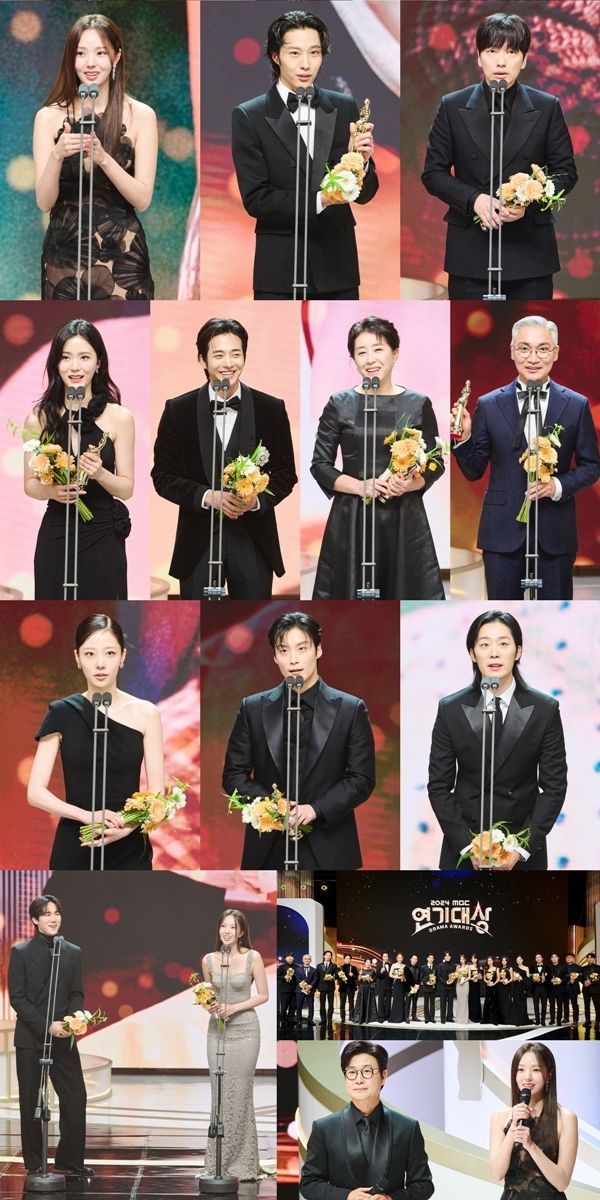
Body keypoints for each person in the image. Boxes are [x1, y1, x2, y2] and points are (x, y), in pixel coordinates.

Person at [422, 12, 578, 300]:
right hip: (471, 252)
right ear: (479, 57)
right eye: (492, 51)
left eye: (511, 52)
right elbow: (433, 173)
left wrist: (529, 202)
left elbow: (565, 172)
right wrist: (474, 200)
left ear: (524, 59)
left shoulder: (547, 107)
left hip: (530, 253)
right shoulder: (452, 106)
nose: (501, 62)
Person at [231, 10, 378, 300]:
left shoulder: (344, 106)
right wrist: (321, 199)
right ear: (275, 56)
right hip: (280, 268)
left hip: (337, 265)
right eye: (294, 53)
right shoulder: (249, 115)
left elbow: (365, 194)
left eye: (314, 52)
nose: (306, 64)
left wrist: (361, 163)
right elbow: (256, 198)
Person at [451, 315, 600, 600]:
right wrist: (465, 438)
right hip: (502, 530)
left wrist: (556, 486)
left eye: (542, 349)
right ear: (512, 351)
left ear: (556, 352)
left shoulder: (576, 404)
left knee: (553, 615)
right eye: (524, 348)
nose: (533, 358)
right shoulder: (489, 404)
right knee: (503, 612)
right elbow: (473, 470)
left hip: (555, 532)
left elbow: (591, 466)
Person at [152, 317, 297, 599]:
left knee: (252, 616)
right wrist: (207, 496)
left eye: (235, 354)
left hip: (253, 540)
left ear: (245, 356)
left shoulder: (271, 409)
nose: (228, 363)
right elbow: (163, 477)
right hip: (198, 542)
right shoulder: (178, 410)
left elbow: (285, 474)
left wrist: (257, 501)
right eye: (218, 355)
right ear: (202, 360)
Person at [222, 611, 376, 868]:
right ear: (275, 656)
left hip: (329, 847)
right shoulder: (253, 708)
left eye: (302, 648)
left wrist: (315, 809)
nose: (293, 659)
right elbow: (233, 776)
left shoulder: (350, 709)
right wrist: (274, 806)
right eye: (284, 650)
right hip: (268, 846)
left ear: (318, 650)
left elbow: (362, 779)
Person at [311, 316, 445, 600]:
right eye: (361, 352)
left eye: (378, 349)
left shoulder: (417, 403)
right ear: (353, 360)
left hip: (403, 517)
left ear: (395, 353)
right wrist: (361, 487)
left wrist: (410, 484)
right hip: (353, 516)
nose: (370, 359)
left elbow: (435, 462)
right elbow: (320, 465)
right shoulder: (339, 404)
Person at [427, 610, 568, 869]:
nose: (494, 653)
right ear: (472, 653)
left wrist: (521, 848)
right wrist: (467, 846)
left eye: (503, 643)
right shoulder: (451, 709)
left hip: (523, 850)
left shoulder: (544, 709)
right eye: (484, 645)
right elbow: (438, 786)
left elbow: (554, 787)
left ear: (518, 651)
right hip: (464, 850)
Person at [33, 13, 156, 300]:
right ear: (71, 59)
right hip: (64, 255)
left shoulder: (140, 115)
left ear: (116, 56)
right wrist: (57, 155)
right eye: (81, 53)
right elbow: (44, 201)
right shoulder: (48, 117)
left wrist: (104, 159)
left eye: (100, 53)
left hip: (122, 253)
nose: (90, 63)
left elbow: (142, 199)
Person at [27, 613, 164, 869]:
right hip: (77, 840)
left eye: (110, 653)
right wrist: (86, 816)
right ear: (77, 658)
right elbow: (35, 792)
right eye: (90, 654)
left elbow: (158, 794)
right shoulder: (61, 711)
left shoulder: (147, 713)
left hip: (129, 845)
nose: (100, 664)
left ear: (122, 656)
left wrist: (125, 827)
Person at [24, 319, 134, 599]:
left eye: (84, 357)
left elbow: (126, 489)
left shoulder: (119, 417)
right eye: (66, 357)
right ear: (56, 363)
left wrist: (100, 474)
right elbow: (30, 484)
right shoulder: (38, 418)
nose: (75, 367)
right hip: (57, 529)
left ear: (98, 363)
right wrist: (52, 491)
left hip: (102, 532)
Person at [8, 895, 92, 1180]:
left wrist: (70, 1021)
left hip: (63, 1036)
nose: (53, 918)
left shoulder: (72, 952)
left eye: (56, 913)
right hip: (31, 1037)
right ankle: (34, 1161)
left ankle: (69, 1160)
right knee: (31, 1100)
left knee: (75, 1097)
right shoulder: (21, 952)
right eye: (46, 914)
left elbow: (76, 993)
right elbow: (17, 998)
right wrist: (47, 1026)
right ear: (35, 919)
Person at [301, 1041, 434, 1199]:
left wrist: (392, 1198)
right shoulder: (324, 1128)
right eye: (352, 1072)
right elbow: (309, 1183)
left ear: (383, 1076)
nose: (358, 1080)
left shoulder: (407, 1127)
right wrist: (346, 1196)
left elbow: (424, 1184)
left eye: (367, 1071)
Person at [200, 909, 268, 1182]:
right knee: (218, 1093)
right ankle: (217, 1162)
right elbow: (206, 996)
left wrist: (234, 1007)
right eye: (223, 926)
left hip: (246, 1031)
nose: (227, 931)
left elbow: (263, 995)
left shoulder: (253, 957)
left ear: (241, 932)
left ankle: (242, 1163)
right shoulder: (208, 960)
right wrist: (210, 1007)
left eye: (233, 927)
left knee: (240, 1093)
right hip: (217, 1031)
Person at [490, 1043, 578, 1198]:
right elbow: (497, 1173)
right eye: (521, 1069)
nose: (527, 1077)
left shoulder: (565, 1118)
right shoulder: (500, 1117)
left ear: (549, 1074)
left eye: (535, 1070)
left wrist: (531, 1146)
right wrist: (513, 1126)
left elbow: (562, 1182)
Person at [352, 960, 378, 1025]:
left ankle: (369, 1017)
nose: (368, 963)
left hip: (369, 988)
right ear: (364, 963)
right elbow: (358, 979)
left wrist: (370, 979)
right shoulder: (361, 970)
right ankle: (361, 1017)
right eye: (367, 962)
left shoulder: (373, 971)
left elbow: (374, 980)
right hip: (362, 988)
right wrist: (360, 974)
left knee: (369, 1002)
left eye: (369, 962)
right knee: (361, 1002)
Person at [315, 951, 338, 1026]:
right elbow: (317, 977)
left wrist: (332, 977)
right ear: (324, 956)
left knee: (331, 1004)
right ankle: (323, 1019)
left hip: (330, 987)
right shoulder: (319, 965)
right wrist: (316, 988)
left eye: (329, 955)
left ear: (331, 957)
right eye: (327, 955)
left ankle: (329, 1019)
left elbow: (336, 976)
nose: (328, 956)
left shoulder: (334, 966)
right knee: (322, 1004)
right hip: (321, 987)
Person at [295, 954, 318, 1026]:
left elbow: (315, 979)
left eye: (308, 959)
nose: (307, 960)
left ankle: (310, 1020)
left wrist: (311, 985)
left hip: (310, 990)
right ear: (302, 960)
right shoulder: (298, 969)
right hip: (300, 990)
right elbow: (298, 978)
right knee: (299, 1006)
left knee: (311, 1006)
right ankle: (298, 1021)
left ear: (310, 960)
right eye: (305, 959)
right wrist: (304, 985)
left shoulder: (314, 970)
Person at [337, 954, 358, 1026]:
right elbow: (338, 978)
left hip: (351, 988)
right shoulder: (340, 968)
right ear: (344, 959)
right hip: (343, 988)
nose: (348, 960)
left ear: (350, 959)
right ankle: (342, 1018)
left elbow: (356, 977)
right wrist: (341, 976)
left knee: (351, 1003)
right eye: (346, 958)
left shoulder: (354, 968)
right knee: (342, 1004)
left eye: (349, 958)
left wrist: (353, 975)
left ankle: (351, 1017)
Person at [277, 952, 297, 1028]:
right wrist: (284, 977)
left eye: (291, 956)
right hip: (285, 989)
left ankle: (290, 1020)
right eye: (288, 956)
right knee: (284, 1006)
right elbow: (277, 976)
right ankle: (283, 1020)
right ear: (285, 958)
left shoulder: (297, 967)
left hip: (294, 989)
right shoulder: (282, 967)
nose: (290, 957)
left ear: (293, 958)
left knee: (293, 1006)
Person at [510, 955, 530, 1027]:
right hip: (516, 987)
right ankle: (517, 1020)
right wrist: (516, 978)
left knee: (523, 1004)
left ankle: (523, 1020)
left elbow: (528, 979)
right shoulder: (514, 968)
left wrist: (522, 978)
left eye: (520, 959)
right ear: (516, 961)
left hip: (523, 987)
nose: (519, 961)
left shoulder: (526, 968)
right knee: (516, 1003)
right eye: (517, 960)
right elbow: (512, 979)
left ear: (522, 960)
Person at [563, 953, 582, 1026]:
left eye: (570, 957)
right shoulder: (563, 967)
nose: (568, 959)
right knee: (565, 1004)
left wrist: (575, 979)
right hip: (565, 988)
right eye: (567, 957)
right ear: (565, 959)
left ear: (573, 958)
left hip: (574, 988)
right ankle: (566, 1018)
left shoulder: (578, 967)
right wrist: (568, 979)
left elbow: (581, 977)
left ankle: (575, 1020)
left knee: (574, 1004)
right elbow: (562, 976)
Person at [531, 954, 550, 1027]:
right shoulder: (532, 967)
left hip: (544, 988)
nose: (538, 958)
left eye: (539, 957)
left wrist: (545, 979)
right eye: (536, 957)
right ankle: (537, 1020)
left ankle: (543, 1021)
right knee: (536, 1005)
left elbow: (550, 977)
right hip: (535, 988)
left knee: (544, 1005)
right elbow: (530, 978)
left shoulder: (547, 967)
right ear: (535, 959)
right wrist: (533, 980)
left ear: (542, 958)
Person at [437, 952, 456, 1024]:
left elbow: (455, 975)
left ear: (450, 957)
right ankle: (443, 1018)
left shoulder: (454, 966)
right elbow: (439, 976)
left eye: (449, 956)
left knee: (451, 1003)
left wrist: (452, 980)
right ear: (444, 957)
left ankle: (449, 1018)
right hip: (443, 987)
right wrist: (446, 982)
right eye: (446, 956)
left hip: (451, 986)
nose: (447, 957)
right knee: (443, 1003)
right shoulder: (440, 965)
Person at [548, 954, 567, 1026]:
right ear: (551, 959)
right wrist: (550, 980)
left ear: (558, 958)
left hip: (560, 989)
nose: (554, 958)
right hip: (551, 989)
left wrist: (561, 981)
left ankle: (559, 1020)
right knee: (551, 1006)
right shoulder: (549, 967)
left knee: (559, 1005)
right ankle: (552, 1020)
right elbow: (547, 978)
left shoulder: (563, 967)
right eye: (552, 957)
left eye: (555, 957)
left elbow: (565, 977)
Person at [582, 952, 600, 1028]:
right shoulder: (583, 968)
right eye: (588, 958)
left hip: (596, 989)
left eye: (591, 957)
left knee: (597, 1006)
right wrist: (583, 982)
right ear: (586, 959)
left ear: (594, 959)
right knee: (586, 1006)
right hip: (586, 989)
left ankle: (597, 1021)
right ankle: (587, 1020)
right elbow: (581, 977)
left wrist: (591, 982)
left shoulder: (598, 968)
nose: (589, 959)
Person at [389, 953, 408, 1024]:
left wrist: (404, 978)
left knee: (401, 1000)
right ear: (396, 958)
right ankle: (394, 1017)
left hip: (402, 984)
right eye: (398, 957)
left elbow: (406, 976)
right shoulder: (394, 965)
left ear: (402, 958)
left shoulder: (404, 966)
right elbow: (390, 974)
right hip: (396, 983)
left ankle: (401, 1017)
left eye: (401, 957)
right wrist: (397, 977)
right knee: (396, 1000)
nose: (400, 959)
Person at [420, 954, 438, 1024]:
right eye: (429, 958)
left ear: (433, 959)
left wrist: (435, 981)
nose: (431, 959)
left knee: (432, 1003)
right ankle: (426, 1018)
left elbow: (437, 976)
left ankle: (432, 1018)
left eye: (432, 958)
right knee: (426, 1003)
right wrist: (426, 982)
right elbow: (421, 977)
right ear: (427, 958)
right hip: (426, 987)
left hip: (433, 988)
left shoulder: (436, 967)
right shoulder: (423, 967)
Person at [375, 952, 393, 1023]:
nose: (386, 957)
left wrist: (392, 984)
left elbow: (391, 976)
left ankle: (387, 1016)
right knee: (381, 1001)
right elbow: (376, 975)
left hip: (389, 986)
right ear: (382, 957)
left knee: (388, 1001)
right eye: (384, 956)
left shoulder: (390, 965)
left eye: (387, 956)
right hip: (381, 986)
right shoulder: (379, 965)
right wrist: (381, 972)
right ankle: (381, 1017)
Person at [483, 956, 499, 1026]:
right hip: (488, 987)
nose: (489, 962)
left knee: (494, 1002)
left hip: (494, 987)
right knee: (488, 1002)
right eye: (488, 961)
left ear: (493, 961)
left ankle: (494, 1019)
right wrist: (487, 982)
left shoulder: (496, 968)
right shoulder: (486, 969)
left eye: (490, 960)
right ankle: (487, 1019)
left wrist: (494, 983)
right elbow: (484, 978)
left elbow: (498, 978)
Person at [497, 956, 513, 1025]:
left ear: (507, 961)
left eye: (505, 960)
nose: (503, 962)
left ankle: (507, 1019)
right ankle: (501, 1019)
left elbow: (512, 978)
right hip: (500, 987)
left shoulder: (510, 968)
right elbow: (498, 979)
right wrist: (502, 980)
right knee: (501, 1002)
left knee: (507, 1002)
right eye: (502, 960)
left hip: (507, 987)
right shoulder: (498, 969)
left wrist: (507, 981)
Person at [455, 953, 470, 1025]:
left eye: (463, 959)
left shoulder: (468, 966)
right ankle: (458, 1019)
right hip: (459, 984)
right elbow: (456, 976)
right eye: (461, 959)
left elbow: (469, 977)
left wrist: (464, 980)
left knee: (465, 1001)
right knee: (459, 1001)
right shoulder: (458, 967)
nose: (462, 960)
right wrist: (458, 977)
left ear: (465, 960)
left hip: (465, 984)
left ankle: (464, 1019)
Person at [406, 954, 421, 1023]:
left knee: (415, 1003)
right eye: (413, 958)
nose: (415, 960)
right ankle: (406, 1017)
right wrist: (411, 986)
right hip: (409, 988)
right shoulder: (407, 967)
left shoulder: (418, 968)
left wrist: (418, 985)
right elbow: (407, 978)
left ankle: (414, 1016)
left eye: (416, 959)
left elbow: (419, 978)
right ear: (410, 959)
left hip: (416, 988)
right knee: (408, 1002)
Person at [468, 954, 483, 1023]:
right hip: (471, 985)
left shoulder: (480, 967)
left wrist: (478, 977)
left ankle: (477, 1016)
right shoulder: (470, 967)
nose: (473, 960)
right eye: (472, 959)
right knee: (471, 1000)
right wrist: (473, 978)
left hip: (477, 985)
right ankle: (471, 1016)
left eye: (475, 958)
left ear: (477, 959)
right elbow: (468, 977)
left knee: (477, 1000)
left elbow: (481, 977)